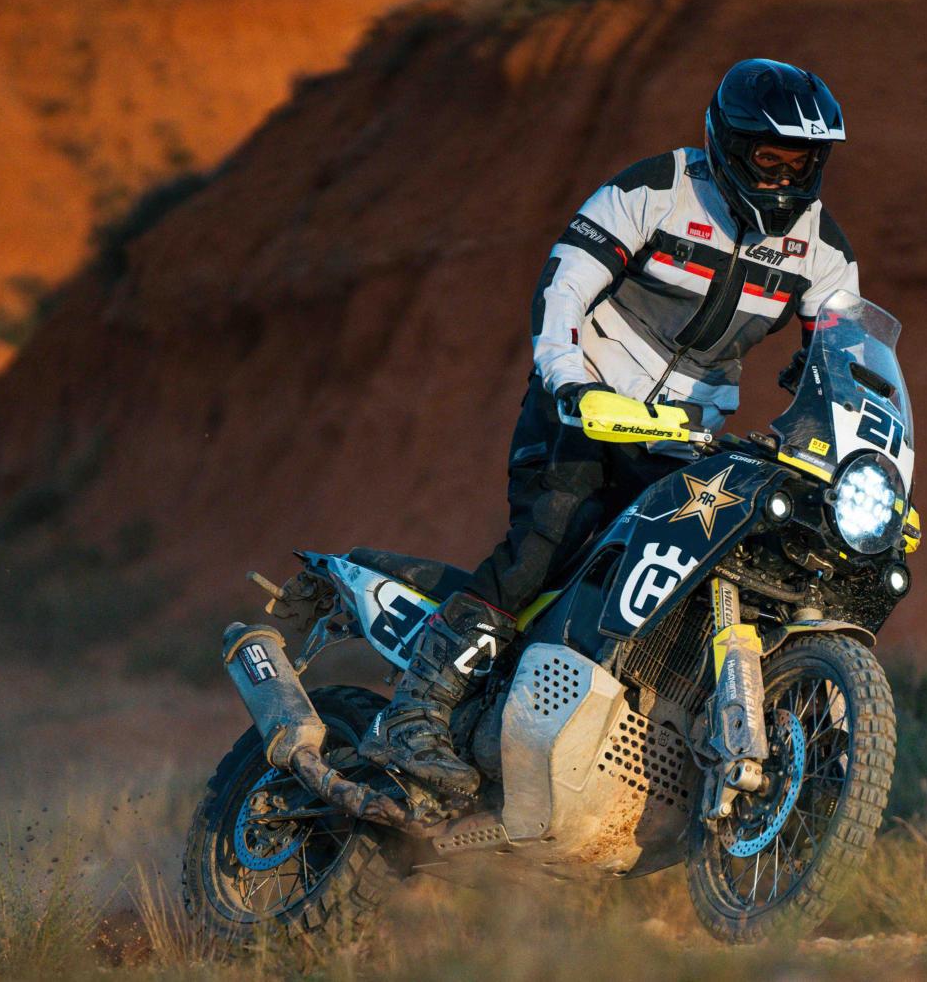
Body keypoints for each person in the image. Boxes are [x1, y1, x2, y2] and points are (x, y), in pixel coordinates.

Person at [361, 58, 860, 794]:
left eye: (804, 161)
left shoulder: (826, 253)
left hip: (686, 436)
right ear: (730, 145)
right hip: (587, 407)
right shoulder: (653, 190)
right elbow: (564, 283)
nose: (787, 176)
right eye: (771, 158)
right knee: (546, 541)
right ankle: (415, 714)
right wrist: (568, 377)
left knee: (707, 573)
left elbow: (842, 364)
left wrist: (846, 448)